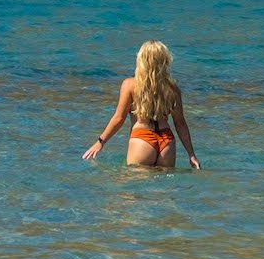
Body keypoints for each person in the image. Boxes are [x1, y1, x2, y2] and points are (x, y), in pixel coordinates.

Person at [82, 39, 200, 170]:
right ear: (165, 61)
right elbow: (180, 123)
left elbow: (119, 119)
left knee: (131, 188)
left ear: (141, 61)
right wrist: (191, 154)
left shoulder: (130, 85)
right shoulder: (172, 88)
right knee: (164, 189)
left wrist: (100, 142)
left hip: (142, 138)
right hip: (167, 141)